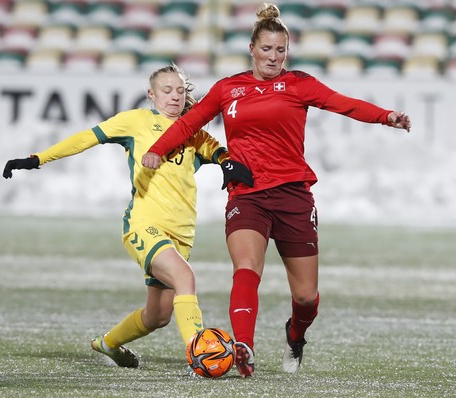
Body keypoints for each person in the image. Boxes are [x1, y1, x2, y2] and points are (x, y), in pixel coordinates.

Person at [141, 3, 412, 378]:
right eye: (266, 49)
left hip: (294, 196)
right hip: (247, 194)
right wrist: (156, 149)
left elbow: (343, 104)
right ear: (252, 48)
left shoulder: (299, 83)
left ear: (287, 51)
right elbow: (188, 124)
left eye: (280, 50)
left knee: (305, 297)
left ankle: (296, 334)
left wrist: (386, 116)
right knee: (247, 268)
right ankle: (244, 348)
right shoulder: (227, 88)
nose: (273, 56)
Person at [2, 64, 253, 371]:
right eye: (166, 90)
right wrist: (37, 158)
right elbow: (86, 138)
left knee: (158, 316)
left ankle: (108, 343)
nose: (174, 97)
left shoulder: (193, 132)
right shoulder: (136, 122)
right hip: (144, 225)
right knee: (185, 277)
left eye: (179, 90)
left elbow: (219, 152)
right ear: (151, 94)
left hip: (182, 234)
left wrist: (227, 163)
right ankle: (198, 356)